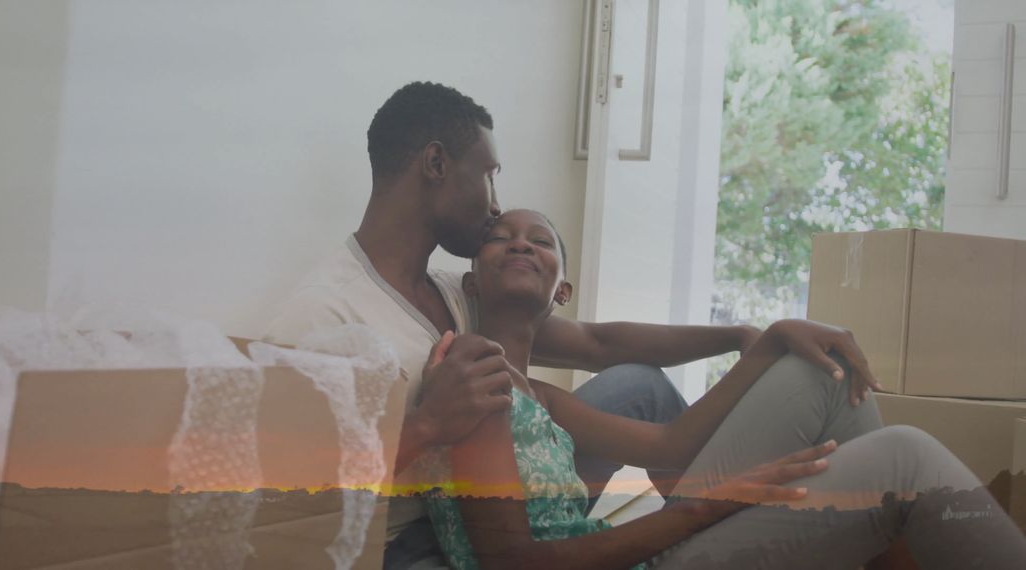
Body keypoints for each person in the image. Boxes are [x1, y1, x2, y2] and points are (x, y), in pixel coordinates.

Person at [264, 81, 879, 569]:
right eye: (489, 174)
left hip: (508, 497)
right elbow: (281, 494)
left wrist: (746, 337)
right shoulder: (324, 314)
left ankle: (763, 519)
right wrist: (425, 427)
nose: (497, 203)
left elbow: (598, 341)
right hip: (412, 544)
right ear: (435, 164)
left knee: (644, 383)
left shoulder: (456, 293)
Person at [424, 208, 1026, 570]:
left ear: (562, 291)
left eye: (542, 239)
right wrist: (716, 503)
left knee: (817, 366)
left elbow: (669, 444)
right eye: (502, 235)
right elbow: (515, 564)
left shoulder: (547, 399)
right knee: (906, 457)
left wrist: (762, 341)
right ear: (471, 281)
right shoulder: (474, 375)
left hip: (640, 554)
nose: (522, 241)